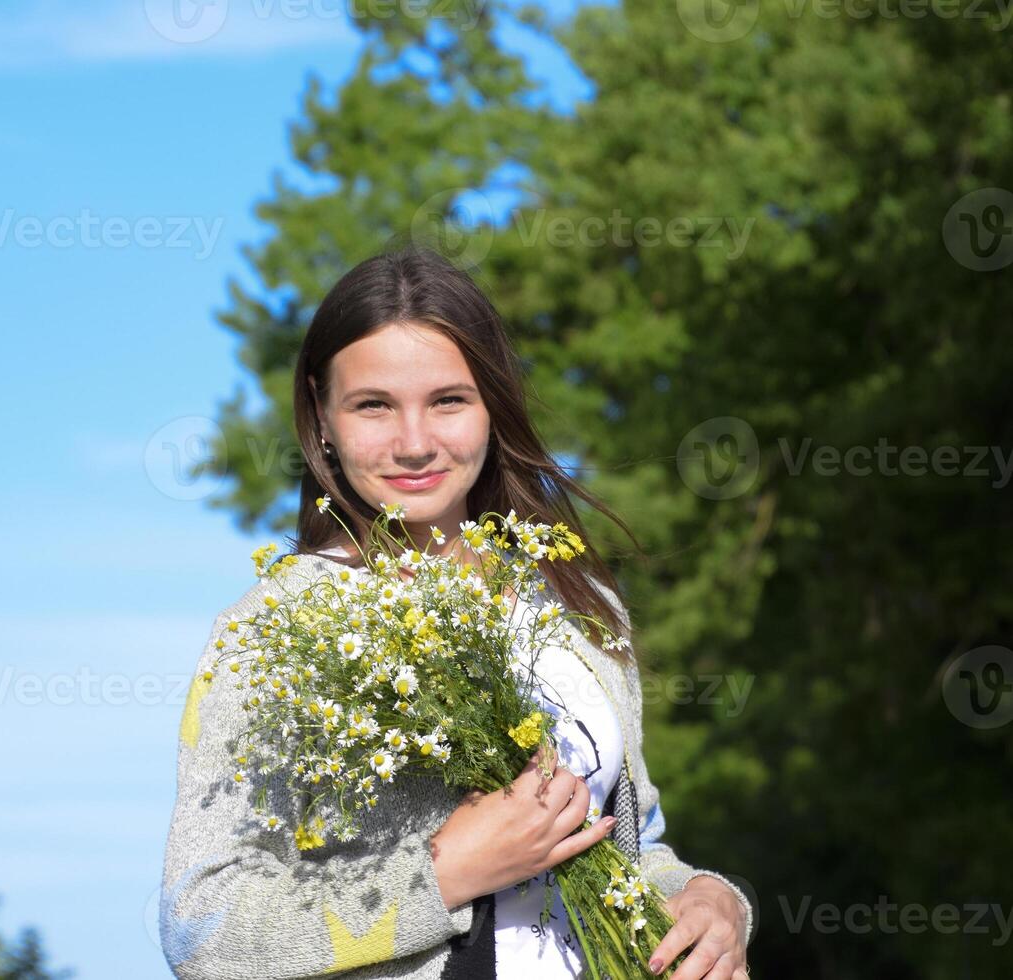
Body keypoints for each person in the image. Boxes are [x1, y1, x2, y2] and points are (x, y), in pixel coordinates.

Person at [160, 244, 753, 980]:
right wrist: (442, 875)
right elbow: (202, 932)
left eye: (448, 400)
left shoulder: (579, 605)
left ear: (493, 404)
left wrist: (707, 899)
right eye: (373, 404)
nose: (415, 444)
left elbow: (631, 842)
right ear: (321, 415)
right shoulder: (276, 629)